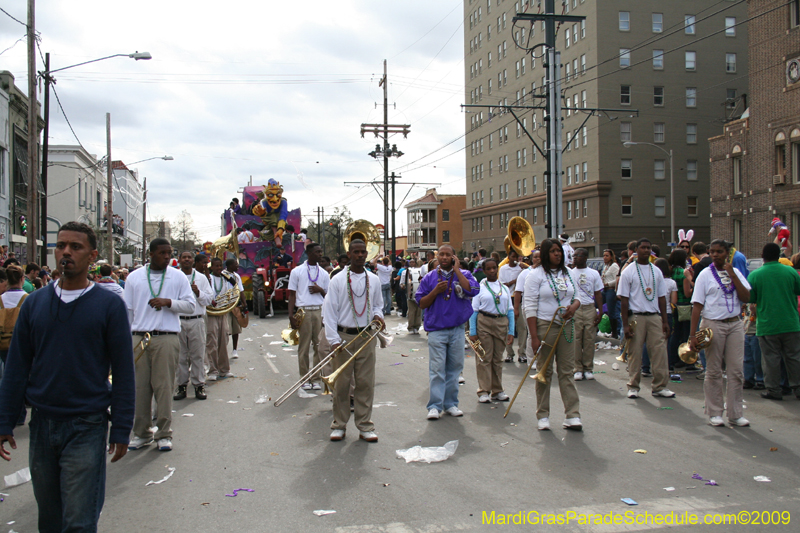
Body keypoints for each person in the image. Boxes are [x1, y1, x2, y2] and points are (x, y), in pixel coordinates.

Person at [0, 222, 135, 532]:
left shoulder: (109, 305)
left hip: (87, 424)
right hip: (43, 424)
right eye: (61, 246)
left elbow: (124, 371)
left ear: (92, 255)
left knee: (78, 522)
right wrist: (5, 419)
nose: (66, 252)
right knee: (49, 521)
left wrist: (122, 428)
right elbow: (17, 366)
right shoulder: (35, 304)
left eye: (75, 247)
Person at [124, 237, 195, 452]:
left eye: (169, 253)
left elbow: (191, 305)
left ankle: (164, 433)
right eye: (162, 253)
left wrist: (169, 303)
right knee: (140, 387)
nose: (167, 257)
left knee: (164, 387)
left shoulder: (177, 277)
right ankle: (141, 433)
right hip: (139, 337)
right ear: (150, 254)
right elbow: (127, 311)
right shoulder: (134, 277)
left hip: (166, 337)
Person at [323, 240, 384, 442]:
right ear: (349, 254)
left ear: (367, 254)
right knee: (341, 384)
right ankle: (339, 425)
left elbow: (378, 306)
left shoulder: (374, 279)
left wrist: (378, 317)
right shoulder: (337, 280)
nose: (359, 255)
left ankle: (365, 425)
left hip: (366, 337)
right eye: (355, 252)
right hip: (343, 338)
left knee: (365, 383)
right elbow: (329, 312)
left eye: (362, 252)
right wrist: (333, 340)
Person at [689, 240, 751, 427]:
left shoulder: (736, 272)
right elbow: (697, 306)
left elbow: (746, 297)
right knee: (714, 370)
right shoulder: (705, 275)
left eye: (719, 252)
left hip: (734, 324)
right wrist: (692, 336)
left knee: (736, 371)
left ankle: (735, 414)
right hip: (712, 325)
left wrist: (733, 275)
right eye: (712, 252)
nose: (715, 255)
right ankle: (715, 412)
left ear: (727, 253)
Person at [523, 239, 582, 430]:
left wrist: (573, 307)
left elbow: (578, 296)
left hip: (566, 326)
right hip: (544, 326)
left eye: (559, 251)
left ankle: (572, 415)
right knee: (545, 372)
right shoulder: (535, 275)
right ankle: (543, 415)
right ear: (546, 253)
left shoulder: (569, 272)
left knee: (566, 371)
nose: (558, 254)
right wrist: (534, 337)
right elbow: (529, 306)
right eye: (553, 251)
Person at [417, 245, 480, 420]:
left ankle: (451, 404)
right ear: (437, 257)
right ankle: (435, 406)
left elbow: (472, 290)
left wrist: (457, 270)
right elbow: (421, 303)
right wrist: (435, 291)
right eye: (441, 255)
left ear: (454, 257)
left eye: (448, 255)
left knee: (454, 368)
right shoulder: (429, 278)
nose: (444, 258)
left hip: (457, 329)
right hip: (437, 330)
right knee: (437, 369)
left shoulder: (464, 274)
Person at [618, 238, 675, 399]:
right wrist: (625, 325)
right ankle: (633, 386)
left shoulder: (656, 271)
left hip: (654, 316)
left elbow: (662, 297)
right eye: (642, 248)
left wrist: (664, 321)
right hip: (636, 316)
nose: (646, 250)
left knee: (659, 351)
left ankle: (660, 386)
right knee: (635, 353)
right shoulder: (628, 271)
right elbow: (623, 299)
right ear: (636, 250)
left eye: (648, 248)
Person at [747, 243, 800, 401]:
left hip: (768, 323)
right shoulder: (790, 271)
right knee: (794, 357)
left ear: (763, 255)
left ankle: (773, 390)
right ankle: (797, 387)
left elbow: (751, 298)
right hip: (790, 322)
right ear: (779, 255)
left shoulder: (756, 275)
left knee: (771, 359)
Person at [469, 258, 514, 403]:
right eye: (489, 269)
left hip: (501, 322)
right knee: (484, 357)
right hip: (484, 322)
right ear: (484, 271)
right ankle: (483, 390)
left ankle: (497, 390)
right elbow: (474, 310)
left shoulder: (505, 288)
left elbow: (510, 310)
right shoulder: (480, 287)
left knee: (497, 358)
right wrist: (473, 331)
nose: (492, 271)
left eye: (494, 268)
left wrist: (511, 331)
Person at [288, 242, 329, 391]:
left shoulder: (324, 273)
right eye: (317, 252)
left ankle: (316, 378)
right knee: (304, 347)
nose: (320, 254)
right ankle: (304, 378)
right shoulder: (297, 271)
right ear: (309, 253)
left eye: (321, 251)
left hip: (319, 310)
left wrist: (320, 290)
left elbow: (329, 296)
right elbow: (292, 294)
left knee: (319, 346)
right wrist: (291, 315)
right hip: (303, 311)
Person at [174, 251, 213, 402]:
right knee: (181, 356)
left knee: (197, 354)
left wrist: (198, 293)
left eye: (189, 257)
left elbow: (209, 299)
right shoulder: (174, 277)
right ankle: (182, 386)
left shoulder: (201, 278)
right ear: (179, 260)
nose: (186, 260)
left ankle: (198, 385)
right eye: (184, 257)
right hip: (178, 320)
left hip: (196, 319)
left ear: (193, 261)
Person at [571, 248, 603, 381]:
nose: (575, 258)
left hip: (589, 307)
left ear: (585, 258)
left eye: (578, 256)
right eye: (574, 256)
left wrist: (600, 311)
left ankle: (588, 368)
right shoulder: (570, 273)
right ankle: (577, 368)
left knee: (589, 339)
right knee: (576, 339)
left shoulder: (594, 273)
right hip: (576, 308)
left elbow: (597, 293)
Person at [206, 258, 234, 382]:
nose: (218, 268)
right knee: (212, 341)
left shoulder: (225, 279)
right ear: (211, 267)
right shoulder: (208, 279)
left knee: (224, 340)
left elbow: (231, 293)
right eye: (216, 266)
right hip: (211, 313)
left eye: (220, 266)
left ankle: (224, 369)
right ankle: (213, 370)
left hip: (223, 313)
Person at [668, 249, 694, 370]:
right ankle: (685, 359)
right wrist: (693, 285)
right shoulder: (684, 272)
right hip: (685, 305)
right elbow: (687, 293)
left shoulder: (670, 271)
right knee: (686, 334)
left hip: (674, 305)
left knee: (675, 333)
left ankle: (672, 359)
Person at [513, 249, 540, 365]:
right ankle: (532, 359)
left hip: (542, 307)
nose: (538, 259)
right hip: (528, 306)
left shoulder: (546, 272)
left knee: (541, 333)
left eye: (540, 257)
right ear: (531, 259)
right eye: (535, 257)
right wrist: (516, 309)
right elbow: (518, 292)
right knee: (531, 333)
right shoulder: (525, 273)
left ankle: (540, 358)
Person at [499, 250, 523, 362]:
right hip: (508, 298)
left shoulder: (522, 269)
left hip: (519, 298)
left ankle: (522, 353)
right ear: (508, 257)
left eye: (516, 257)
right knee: (508, 327)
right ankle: (509, 353)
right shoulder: (503, 268)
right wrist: (514, 281)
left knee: (522, 327)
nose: (514, 258)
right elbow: (502, 284)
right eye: (512, 256)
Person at [224, 258, 246, 359]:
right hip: (226, 306)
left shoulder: (237, 276)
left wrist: (244, 303)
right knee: (226, 330)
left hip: (235, 305)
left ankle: (234, 350)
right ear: (229, 266)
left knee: (236, 329)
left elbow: (241, 290)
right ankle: (223, 350)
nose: (237, 266)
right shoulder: (222, 275)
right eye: (235, 264)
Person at [601, 249, 620, 339]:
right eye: (604, 255)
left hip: (611, 290)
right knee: (596, 304)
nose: (605, 257)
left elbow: (617, 279)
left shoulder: (614, 266)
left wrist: (607, 284)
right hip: (604, 290)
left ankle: (614, 332)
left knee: (611, 311)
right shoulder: (606, 267)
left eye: (607, 256)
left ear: (611, 257)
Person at [402, 259, 423, 334]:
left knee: (418, 312)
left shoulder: (420, 271)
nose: (412, 263)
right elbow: (402, 283)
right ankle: (410, 327)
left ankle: (417, 327)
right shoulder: (405, 272)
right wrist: (406, 287)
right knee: (411, 312)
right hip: (410, 295)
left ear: (416, 263)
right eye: (410, 262)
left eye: (413, 262)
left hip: (419, 294)